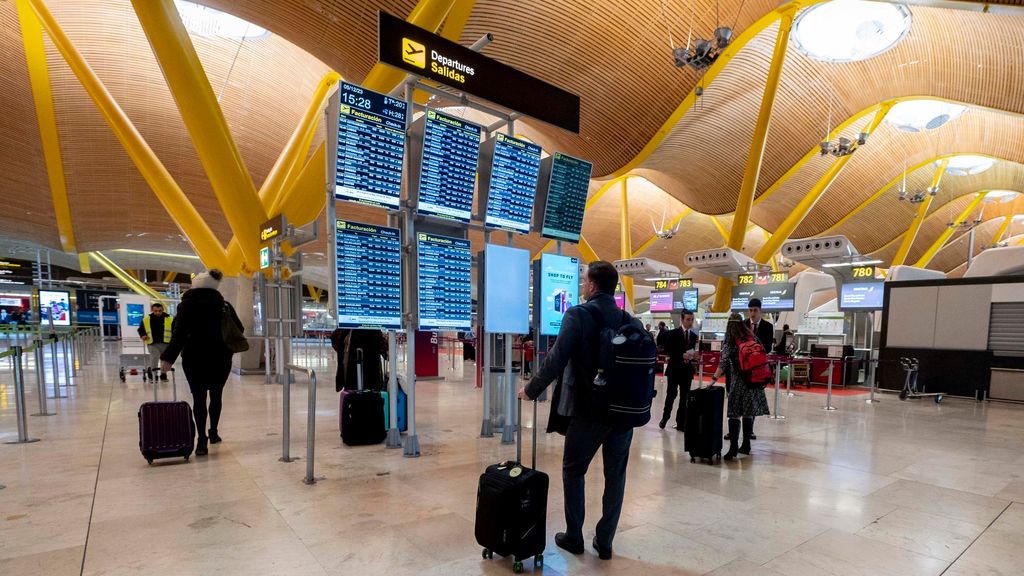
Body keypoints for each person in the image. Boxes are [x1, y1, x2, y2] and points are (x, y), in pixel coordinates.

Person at [517, 261, 640, 561]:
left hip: (590, 410)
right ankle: (605, 541)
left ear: (593, 286)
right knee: (616, 476)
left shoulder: (578, 315)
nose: (583, 286)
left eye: (585, 281)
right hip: (623, 413)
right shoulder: (629, 320)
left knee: (574, 470)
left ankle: (574, 537)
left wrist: (531, 390)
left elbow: (556, 359)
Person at [160, 269, 243, 457]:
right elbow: (239, 328)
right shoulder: (224, 306)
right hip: (220, 359)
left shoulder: (186, 306)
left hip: (194, 358)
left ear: (195, 285)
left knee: (199, 398)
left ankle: (202, 441)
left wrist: (168, 358)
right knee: (216, 395)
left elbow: (178, 334)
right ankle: (213, 432)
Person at [711, 312, 770, 460]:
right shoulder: (752, 337)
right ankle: (746, 444)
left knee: (735, 413)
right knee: (748, 412)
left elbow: (723, 363)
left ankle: (733, 447)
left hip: (739, 383)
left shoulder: (730, 341)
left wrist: (713, 379)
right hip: (754, 381)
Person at [659, 310, 698, 431]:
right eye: (688, 319)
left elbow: (693, 351)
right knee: (671, 394)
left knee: (684, 397)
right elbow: (667, 349)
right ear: (682, 320)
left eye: (692, 319)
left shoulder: (693, 336)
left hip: (686, 371)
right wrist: (681, 355)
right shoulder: (673, 333)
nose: (690, 322)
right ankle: (665, 418)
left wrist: (694, 356)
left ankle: (681, 422)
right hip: (674, 370)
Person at [138, 302, 172, 382]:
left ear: (163, 310)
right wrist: (143, 335)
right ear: (152, 310)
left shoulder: (169, 318)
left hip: (166, 343)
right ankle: (154, 375)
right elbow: (141, 329)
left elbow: (174, 329)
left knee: (165, 359)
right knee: (154, 358)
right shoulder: (147, 319)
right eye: (155, 311)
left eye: (160, 311)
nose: (158, 313)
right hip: (152, 343)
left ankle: (163, 374)